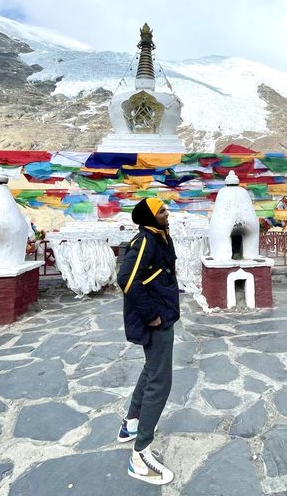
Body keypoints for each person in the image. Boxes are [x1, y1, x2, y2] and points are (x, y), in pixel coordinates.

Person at [116, 197, 180, 485]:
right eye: (162, 211)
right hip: (156, 318)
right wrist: (151, 314)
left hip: (163, 312)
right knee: (160, 381)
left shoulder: (159, 237)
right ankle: (140, 454)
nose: (167, 213)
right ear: (150, 217)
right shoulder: (145, 241)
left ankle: (130, 424)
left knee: (150, 369)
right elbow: (127, 278)